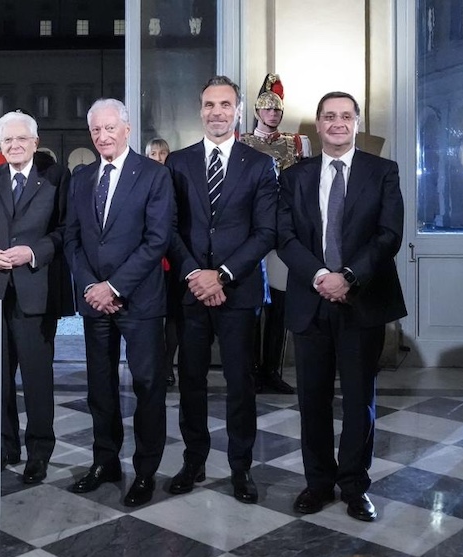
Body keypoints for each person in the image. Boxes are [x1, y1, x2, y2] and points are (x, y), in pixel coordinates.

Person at [278, 92, 405, 522]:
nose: (337, 123)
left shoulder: (382, 171)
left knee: (358, 401)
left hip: (362, 300)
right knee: (312, 400)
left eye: (345, 116)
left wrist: (348, 276)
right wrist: (321, 276)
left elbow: (388, 235)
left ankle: (354, 486)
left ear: (356, 122)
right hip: (310, 301)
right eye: (329, 116)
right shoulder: (294, 177)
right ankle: (317, 482)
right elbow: (285, 236)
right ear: (317, 124)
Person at [165, 76, 277, 504]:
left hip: (239, 291)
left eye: (225, 104)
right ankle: (193, 460)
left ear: (238, 110)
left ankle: (240, 468)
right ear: (200, 110)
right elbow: (169, 228)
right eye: (210, 104)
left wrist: (223, 275)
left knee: (240, 384)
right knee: (190, 381)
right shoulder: (178, 163)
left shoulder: (259, 164)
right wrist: (197, 274)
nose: (217, 112)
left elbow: (265, 232)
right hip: (191, 290)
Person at [63, 99, 174, 508]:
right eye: (96, 129)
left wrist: (114, 287)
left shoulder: (154, 175)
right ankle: (105, 462)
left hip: (139, 300)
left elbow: (157, 240)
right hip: (95, 301)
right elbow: (72, 239)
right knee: (100, 388)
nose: (103, 136)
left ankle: (145, 472)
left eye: (110, 128)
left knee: (147, 387)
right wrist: (92, 286)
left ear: (127, 129)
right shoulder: (82, 178)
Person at [0, 110, 73, 484]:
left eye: (21, 139)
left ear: (35, 142)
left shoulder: (57, 178)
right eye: (7, 139)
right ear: (0, 144)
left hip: (36, 291)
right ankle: (5, 445)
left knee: (37, 378)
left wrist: (33, 251)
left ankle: (39, 453)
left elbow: (65, 230)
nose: (14, 145)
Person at [238, 74, 312, 395]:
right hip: (251, 231)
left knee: (280, 306)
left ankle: (271, 370)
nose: (272, 114)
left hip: (284, 230)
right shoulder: (241, 142)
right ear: (257, 111)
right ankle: (251, 370)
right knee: (252, 304)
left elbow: (306, 187)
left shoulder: (297, 143)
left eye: (277, 110)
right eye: (267, 109)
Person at [145, 137, 179, 388]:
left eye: (163, 153)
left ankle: (168, 365)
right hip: (149, 260)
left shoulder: (177, 180)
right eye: (153, 153)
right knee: (153, 316)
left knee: (173, 315)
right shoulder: (141, 181)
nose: (158, 158)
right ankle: (154, 364)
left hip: (174, 258)